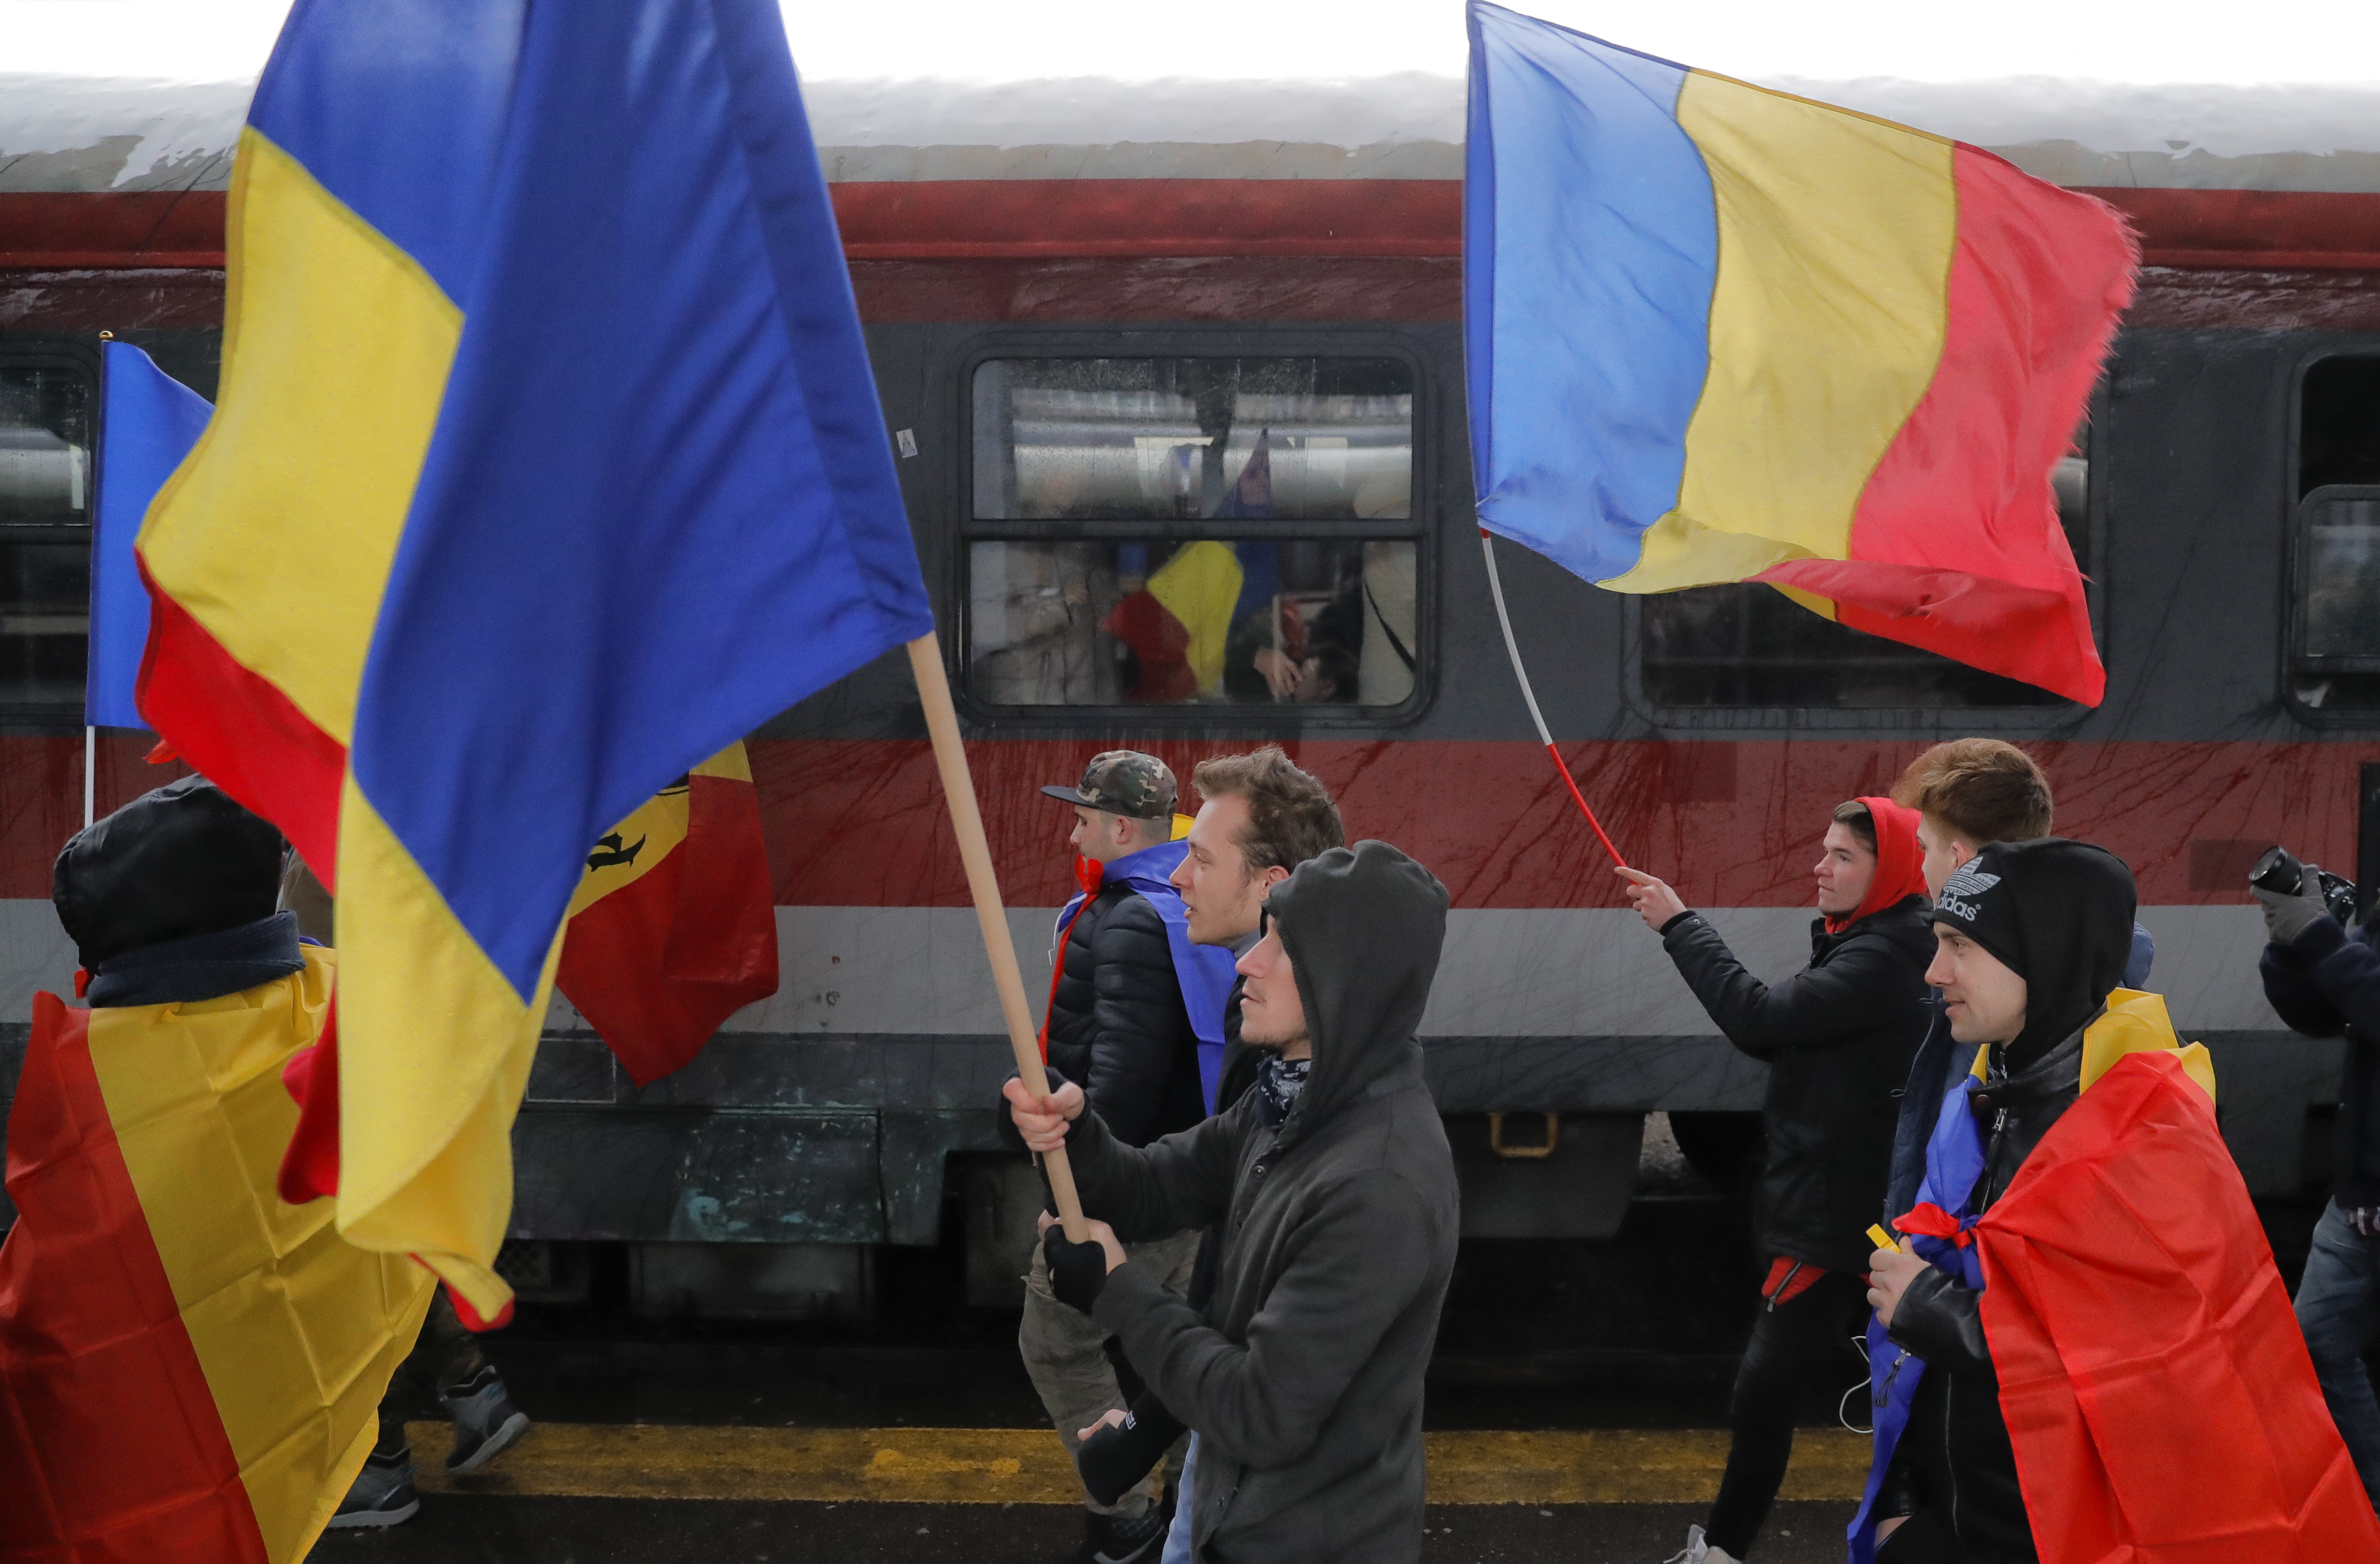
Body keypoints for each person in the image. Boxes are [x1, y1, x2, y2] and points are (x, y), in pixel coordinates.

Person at [1857, 840, 2378, 1559]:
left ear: (2046, 955)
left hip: (2075, 1534)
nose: (1934, 971)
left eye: (1961, 947)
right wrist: (1903, 1505)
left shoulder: (2148, 1129)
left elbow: (2140, 1362)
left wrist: (1927, 1309)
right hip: (1962, 1519)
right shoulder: (1983, 1092)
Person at [1004, 841, 1458, 1563]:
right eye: (1264, 934)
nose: (1250, 962)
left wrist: (1117, 1290)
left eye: (1285, 947)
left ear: (1350, 982)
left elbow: (1260, 1412)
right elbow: (1153, 1186)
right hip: (1229, 1512)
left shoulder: (1377, 1183)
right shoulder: (1286, 1103)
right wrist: (1071, 1130)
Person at [1618, 799, 1935, 1564]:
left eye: (1843, 857)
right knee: (1895, 1386)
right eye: (1824, 850)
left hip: (1834, 1213)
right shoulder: (1871, 939)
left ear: (1888, 869)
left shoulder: (1884, 954)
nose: (1820, 868)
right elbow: (1790, 1037)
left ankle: (1723, 1553)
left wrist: (1679, 924)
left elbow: (1758, 1019)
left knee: (1767, 1390)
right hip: (1842, 1202)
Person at [1071, 746, 1346, 1561]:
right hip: (1228, 1459)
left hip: (1272, 1504)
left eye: (1199, 858)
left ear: (1270, 887)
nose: (1179, 879)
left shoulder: (1317, 1098)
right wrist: (1074, 1132)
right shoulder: (1279, 1051)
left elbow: (1259, 1351)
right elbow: (1189, 1196)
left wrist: (1135, 1425)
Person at [279, 852, 534, 1528]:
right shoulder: (405, 821)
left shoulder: (337, 833)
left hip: (349, 1063)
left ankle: (378, 1465)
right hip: (403, 1062)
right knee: (382, 1247)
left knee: (349, 1272)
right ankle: (472, 1391)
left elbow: (307, 962)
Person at [1026, 751, 1237, 1563]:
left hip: (1135, 1179)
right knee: (1175, 1348)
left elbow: (1123, 1068)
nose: (1072, 832)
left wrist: (1078, 1188)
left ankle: (1124, 1520)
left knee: (1057, 1341)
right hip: (1192, 1172)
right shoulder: (1177, 902)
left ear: (1120, 829)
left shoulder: (1124, 921)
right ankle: (1192, 1509)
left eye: (1083, 818)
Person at [1882, 740, 2153, 1222]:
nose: (1937, 974)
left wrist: (1926, 1264)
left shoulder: (1995, 1010)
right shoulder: (2086, 987)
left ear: (1962, 863)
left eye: (1923, 848)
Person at [2257, 856, 2380, 1511]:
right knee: (2315, 1345)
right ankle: (2371, 1503)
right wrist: (2292, 944)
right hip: (2359, 1200)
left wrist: (2319, 937)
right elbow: (2321, 1013)